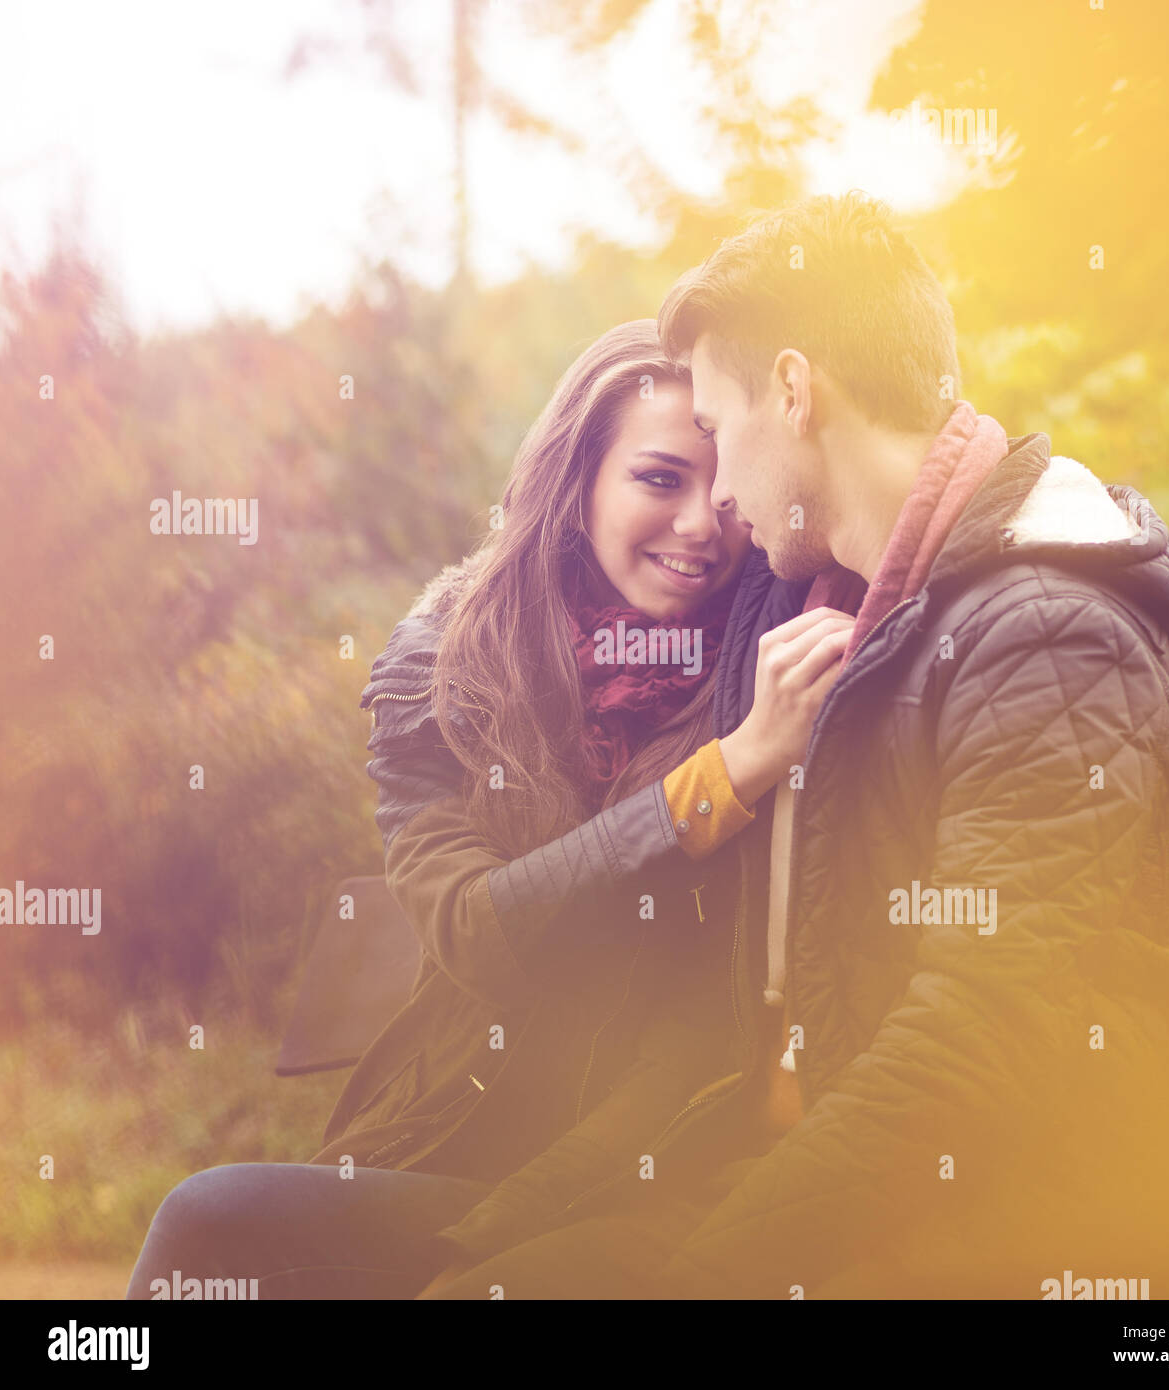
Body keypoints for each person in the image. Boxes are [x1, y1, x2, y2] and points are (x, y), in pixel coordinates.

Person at [419, 192, 1169, 1300]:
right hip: (796, 1178)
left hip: (988, 1224)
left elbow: (975, 1042)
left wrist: (709, 1273)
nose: (722, 500)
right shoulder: (824, 602)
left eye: (713, 430)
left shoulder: (1048, 634)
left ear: (794, 391)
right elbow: (557, 572)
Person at [124, 318, 851, 1299]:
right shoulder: (443, 672)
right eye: (658, 478)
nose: (700, 524)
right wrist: (726, 774)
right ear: (574, 483)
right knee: (210, 1223)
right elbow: (480, 932)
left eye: (722, 486)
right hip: (459, 1148)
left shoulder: (763, 658)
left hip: (649, 1172)